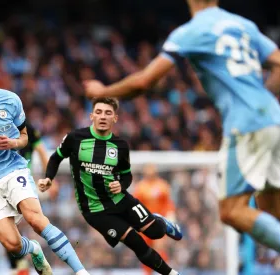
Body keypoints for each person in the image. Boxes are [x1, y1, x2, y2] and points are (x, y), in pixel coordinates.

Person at [83, 0, 280, 260]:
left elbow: (145, 81)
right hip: (275, 119)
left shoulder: (191, 32)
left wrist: (102, 93)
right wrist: (262, 104)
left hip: (247, 124)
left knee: (231, 211)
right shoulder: (244, 25)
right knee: (274, 207)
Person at [0, 53, 90, 275]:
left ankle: (81, 272)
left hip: (12, 169)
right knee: (12, 245)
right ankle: (33, 249)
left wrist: (12, 142)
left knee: (35, 219)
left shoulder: (10, 100)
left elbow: (25, 138)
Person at [38, 97, 182, 275]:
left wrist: (121, 186)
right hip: (96, 211)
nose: (103, 116)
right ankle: (172, 273)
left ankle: (162, 222)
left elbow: (127, 176)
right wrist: (48, 178)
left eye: (108, 113)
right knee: (137, 243)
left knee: (156, 233)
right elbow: (56, 157)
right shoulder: (75, 138)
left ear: (115, 118)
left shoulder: (120, 146)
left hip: (121, 200)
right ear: (91, 116)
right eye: (98, 112)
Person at [8, 121, 49, 275]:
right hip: (7, 181)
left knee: (15, 223)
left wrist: (49, 177)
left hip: (20, 181)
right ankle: (21, 263)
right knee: (9, 225)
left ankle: (22, 262)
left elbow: (41, 151)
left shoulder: (28, 128)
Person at [134, 164, 176, 275]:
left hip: (159, 223)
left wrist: (170, 216)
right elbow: (135, 206)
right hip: (144, 224)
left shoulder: (162, 186)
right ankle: (147, 273)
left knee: (160, 249)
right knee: (144, 251)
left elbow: (168, 204)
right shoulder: (140, 187)